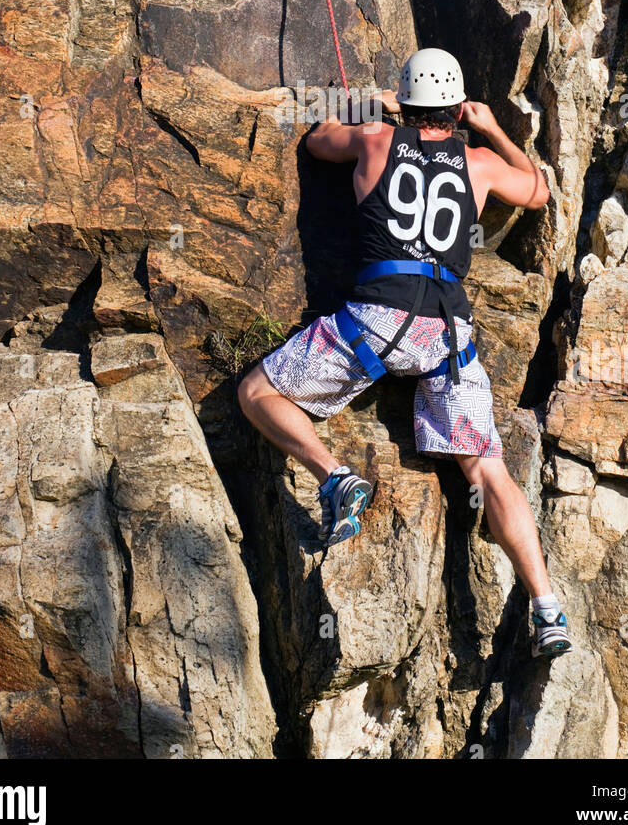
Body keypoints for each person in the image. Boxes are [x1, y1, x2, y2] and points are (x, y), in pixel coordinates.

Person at [238, 48, 572, 657]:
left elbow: (317, 141)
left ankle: (334, 479)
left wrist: (375, 105)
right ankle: (547, 607)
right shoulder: (479, 163)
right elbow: (539, 192)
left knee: (256, 391)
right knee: (487, 470)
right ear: (455, 108)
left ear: (406, 102)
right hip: (447, 336)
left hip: (375, 322)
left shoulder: (373, 139)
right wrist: (493, 126)